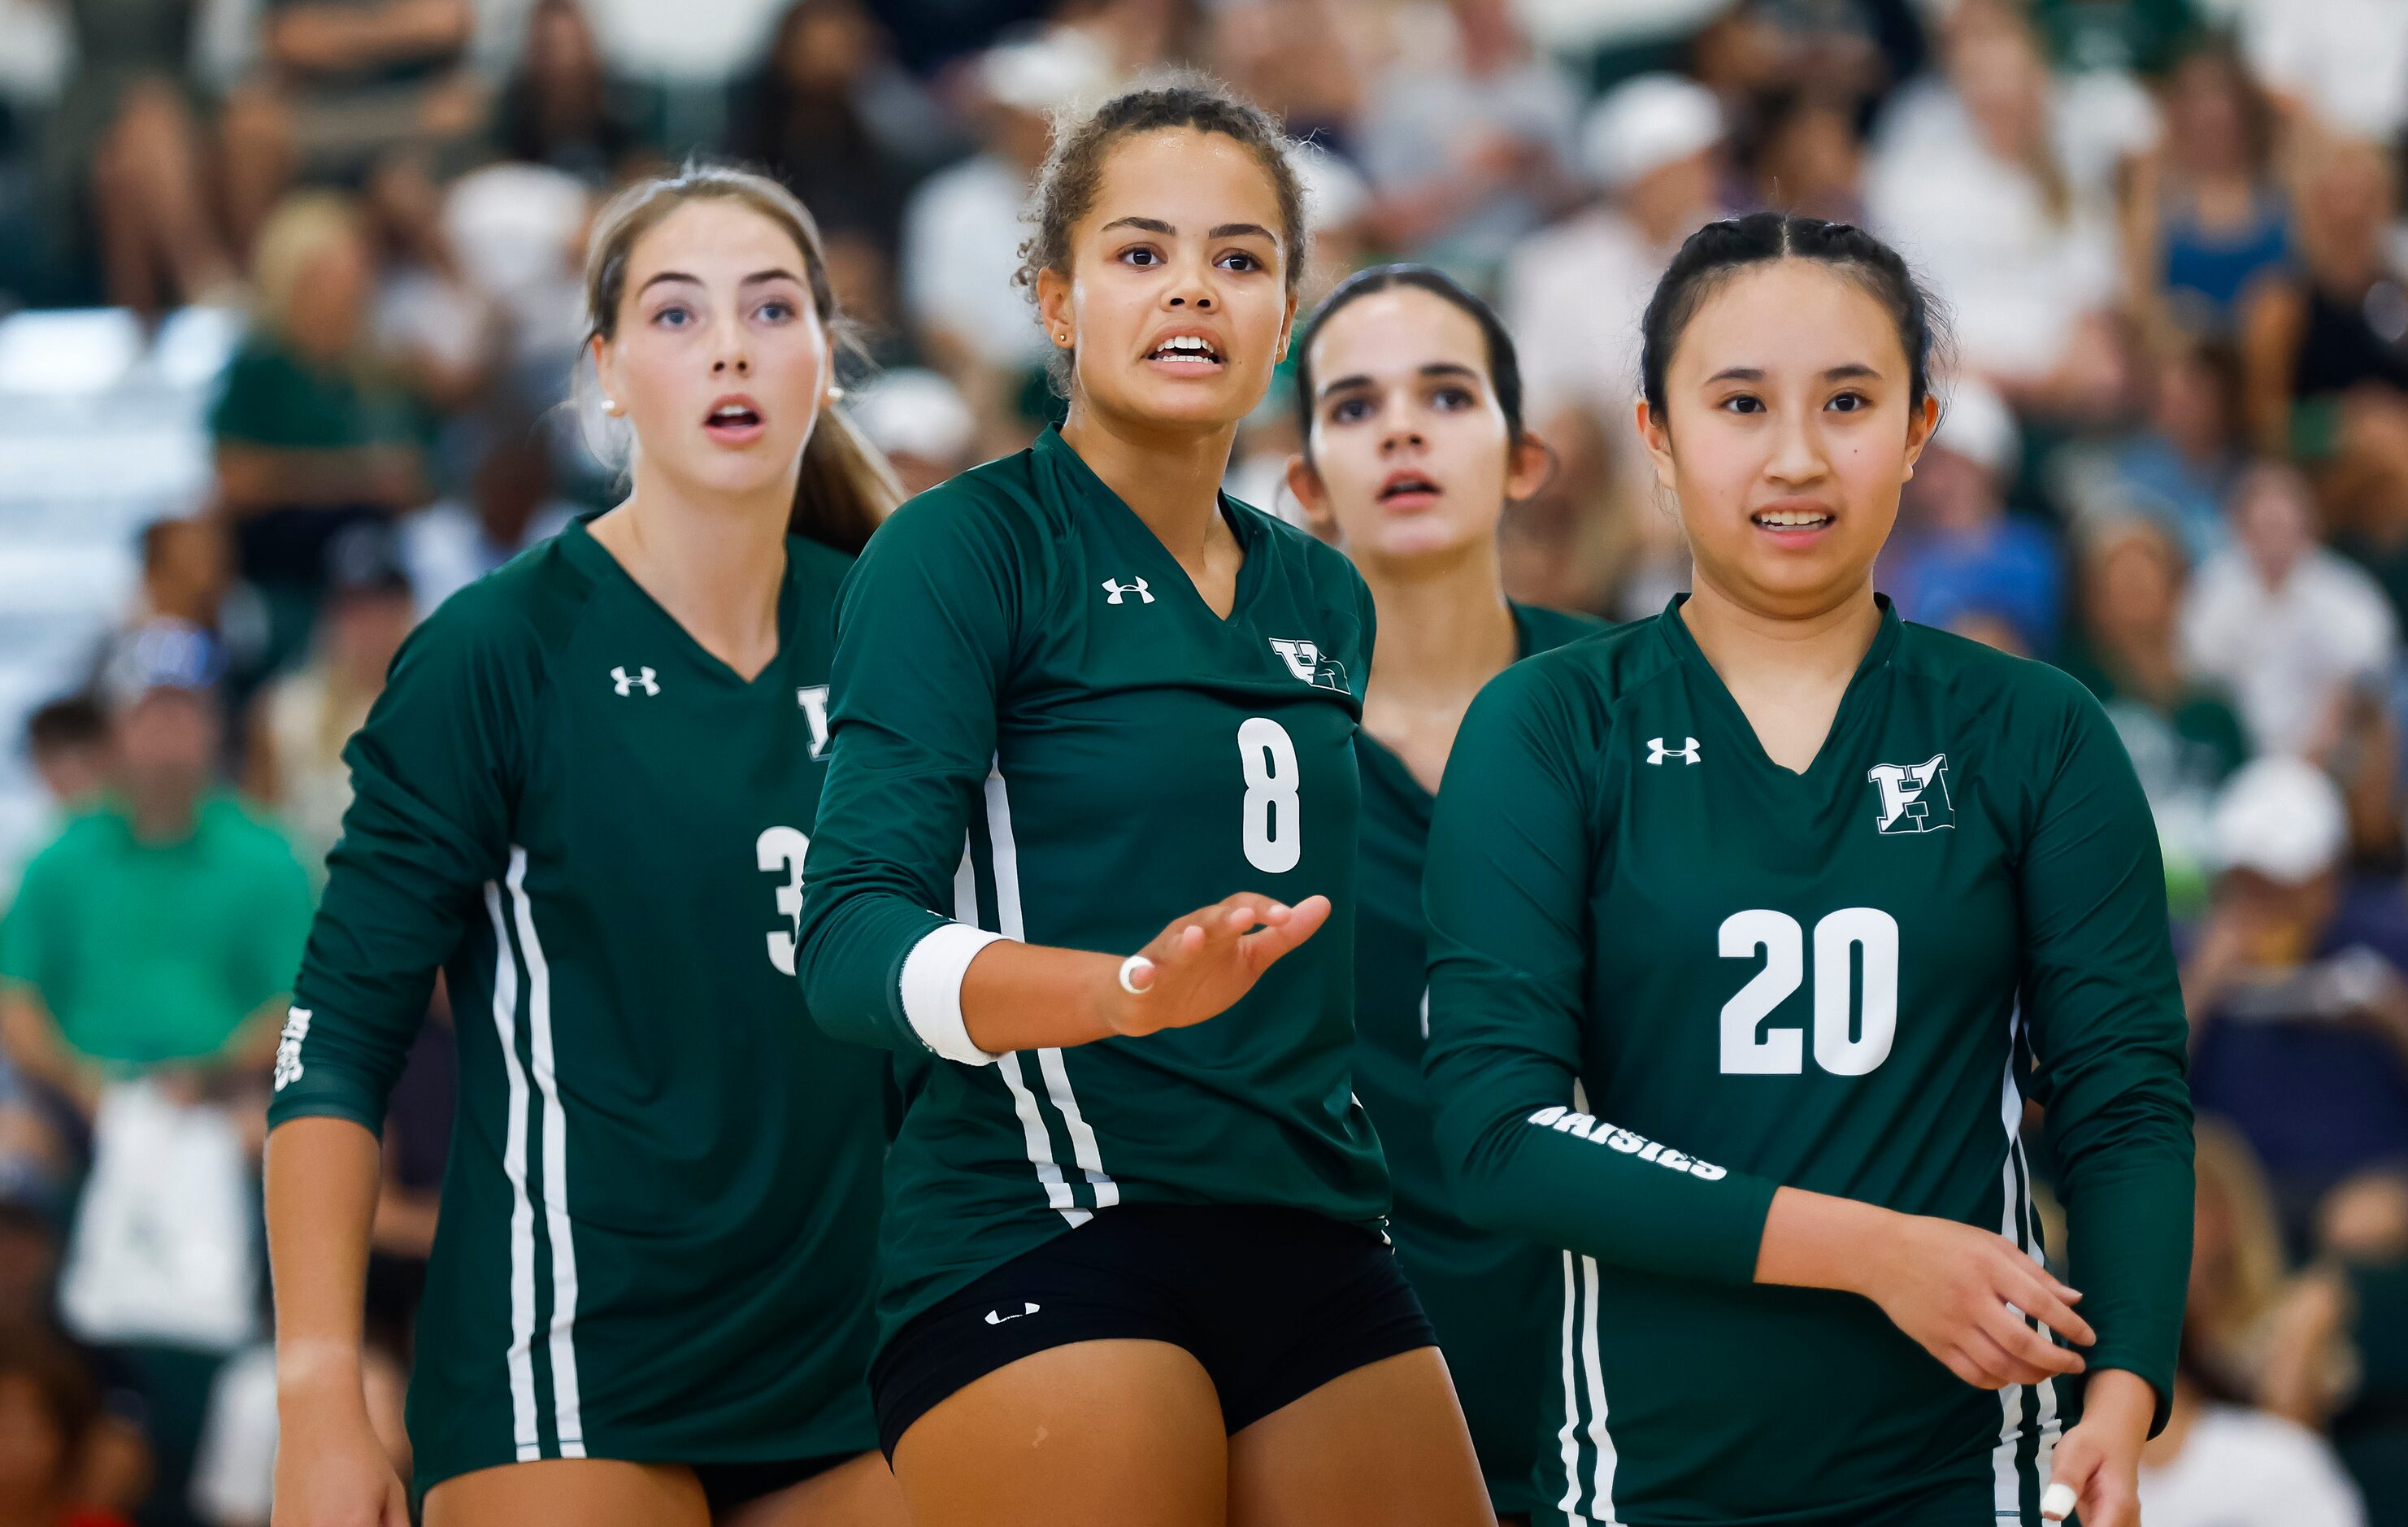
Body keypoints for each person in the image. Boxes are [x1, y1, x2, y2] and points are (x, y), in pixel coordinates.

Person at [1422, 212, 2193, 1527]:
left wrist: (2121, 1387)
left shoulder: (2036, 729)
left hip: (1974, 1475)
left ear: (1916, 429)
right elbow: (1497, 1134)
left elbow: (2120, 1097)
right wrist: (1871, 1253)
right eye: (1737, 403)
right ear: (1655, 438)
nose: (1795, 454)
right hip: (1644, 1482)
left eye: (1846, 400)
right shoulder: (1549, 724)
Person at [794, 80, 1493, 1527]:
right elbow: (850, 941)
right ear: (1055, 300)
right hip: (1043, 1219)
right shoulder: (960, 551)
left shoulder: (1321, 593)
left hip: (1307, 1224)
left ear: (1286, 313)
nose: (1192, 287)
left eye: (1239, 259)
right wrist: (1117, 994)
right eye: (1139, 252)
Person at [263, 164, 911, 1527]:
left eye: (771, 308)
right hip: (565, 1365)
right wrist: (321, 1394)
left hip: (851, 1357)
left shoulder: (902, 640)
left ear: (823, 361)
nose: (729, 345)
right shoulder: (497, 652)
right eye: (676, 317)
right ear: (606, 375)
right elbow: (338, 1040)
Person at [1279, 263, 1602, 1524]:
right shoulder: (1233, 734)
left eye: (1444, 395)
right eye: (1353, 407)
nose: (1401, 429)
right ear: (1303, 484)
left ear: (1523, 458)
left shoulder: (1645, 700)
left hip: (1621, 1362)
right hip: (1332, 1378)